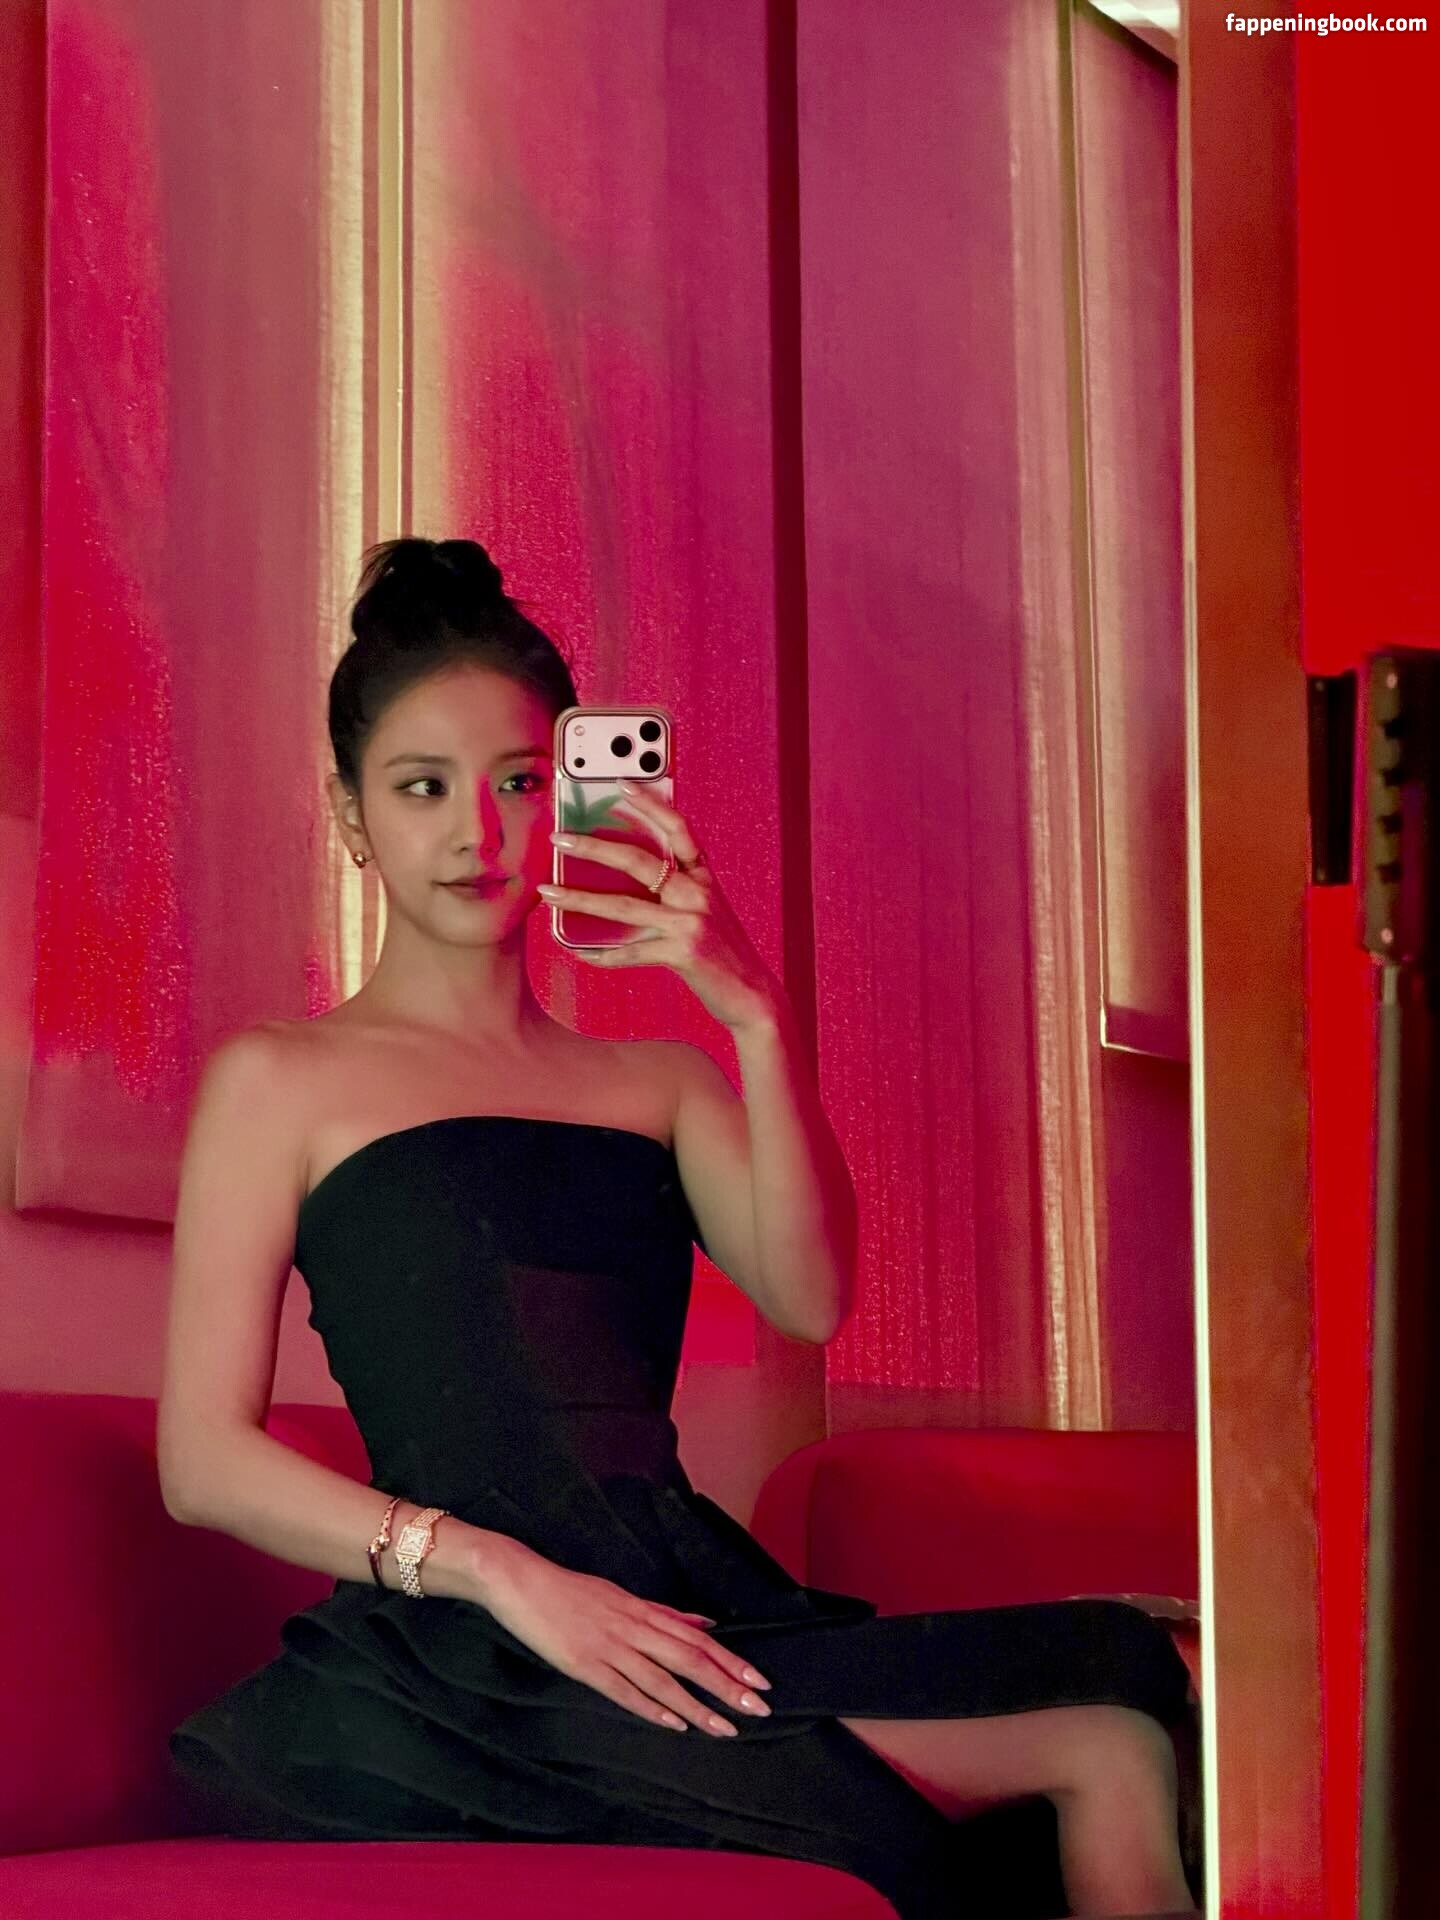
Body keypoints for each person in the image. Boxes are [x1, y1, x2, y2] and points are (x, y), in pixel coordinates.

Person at [159, 536, 1201, 1920]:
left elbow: (811, 1298)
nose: (478, 833)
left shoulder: (661, 1082)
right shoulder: (279, 1079)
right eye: (423, 787)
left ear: (574, 795)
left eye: (520, 783)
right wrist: (498, 1574)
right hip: (473, 1655)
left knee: (1131, 1679)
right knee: (1106, 1744)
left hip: (682, 1596)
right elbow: (202, 1461)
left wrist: (753, 1012)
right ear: (354, 815)